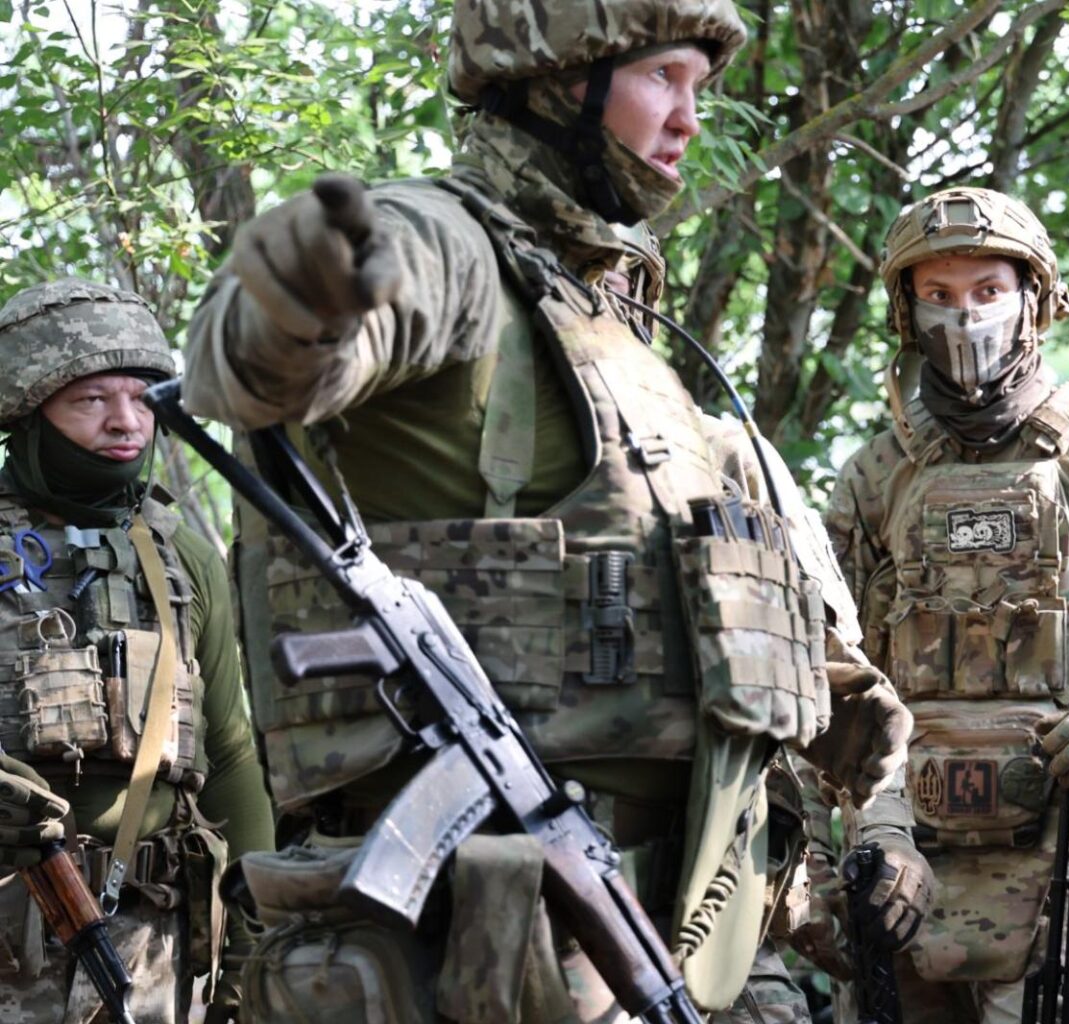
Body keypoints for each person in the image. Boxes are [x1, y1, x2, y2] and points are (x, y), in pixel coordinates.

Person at [178, 1, 910, 1019]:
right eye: (663, 78)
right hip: (483, 927)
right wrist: (296, 299)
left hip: (679, 914)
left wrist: (828, 693)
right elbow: (270, 351)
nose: (690, 118)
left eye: (700, 88)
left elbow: (686, 578)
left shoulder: (616, 328)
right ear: (563, 79)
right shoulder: (455, 245)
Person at [824, 186, 1069, 1023]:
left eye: (987, 292)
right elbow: (830, 678)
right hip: (900, 859)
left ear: (1034, 301)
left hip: (1056, 868)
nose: (964, 317)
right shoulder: (874, 477)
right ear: (905, 309)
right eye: (938, 294)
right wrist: (876, 829)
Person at [0, 279, 273, 1024]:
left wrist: (255, 938)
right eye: (91, 401)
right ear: (29, 413)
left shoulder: (182, 553)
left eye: (142, 397)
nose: (126, 422)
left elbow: (231, 752)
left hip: (160, 948)